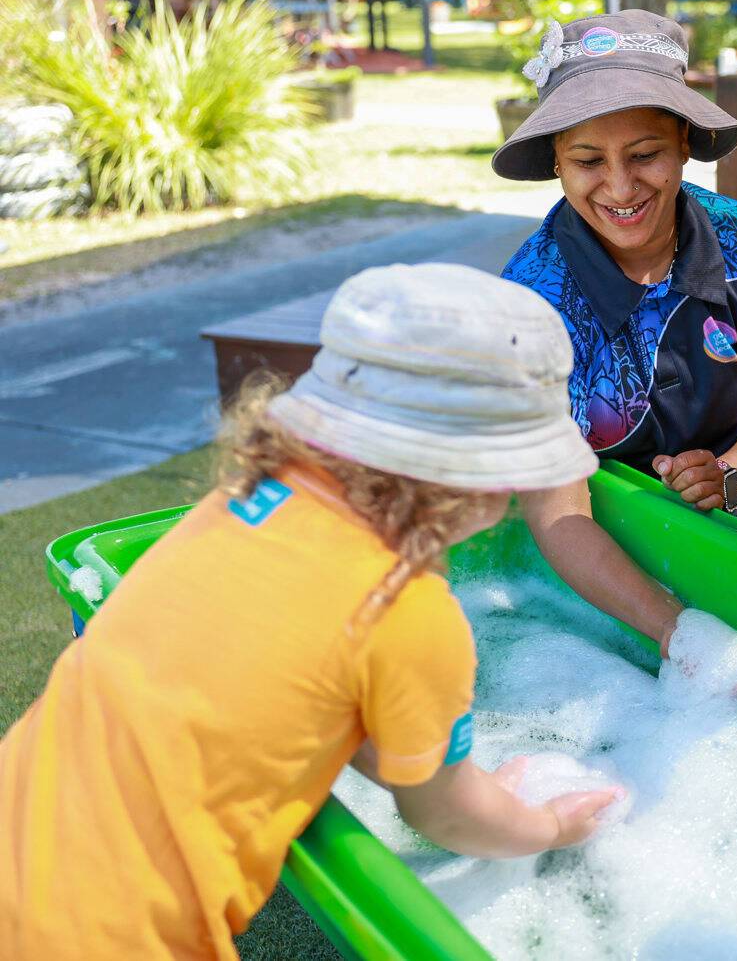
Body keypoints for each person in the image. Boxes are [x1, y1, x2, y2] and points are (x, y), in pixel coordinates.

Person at [0, 264, 623, 958]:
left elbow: (300, 673)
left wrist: (464, 780)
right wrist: (546, 825)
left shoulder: (245, 502)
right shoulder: (407, 610)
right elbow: (442, 814)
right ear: (478, 479)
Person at [492, 9, 737, 659]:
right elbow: (557, 505)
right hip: (603, 568)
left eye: (645, 155)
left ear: (685, 142)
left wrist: (730, 472)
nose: (620, 185)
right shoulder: (530, 298)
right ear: (554, 160)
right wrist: (673, 629)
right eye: (587, 160)